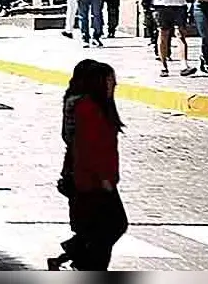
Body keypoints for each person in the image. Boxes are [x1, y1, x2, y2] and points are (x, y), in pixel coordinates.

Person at [49, 60, 128, 271]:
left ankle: (74, 258)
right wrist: (104, 179)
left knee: (98, 229)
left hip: (91, 177)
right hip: (92, 179)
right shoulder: (88, 107)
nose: (114, 85)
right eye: (110, 81)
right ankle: (79, 261)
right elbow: (89, 147)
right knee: (111, 226)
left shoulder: (91, 105)